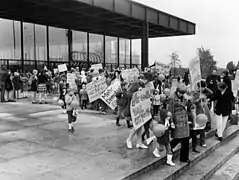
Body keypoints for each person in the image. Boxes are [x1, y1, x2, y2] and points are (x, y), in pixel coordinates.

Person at [169, 86, 191, 163]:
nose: (181, 94)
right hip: (177, 119)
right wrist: (171, 121)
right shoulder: (172, 98)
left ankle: (184, 157)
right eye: (180, 93)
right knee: (178, 138)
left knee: (186, 139)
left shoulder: (185, 97)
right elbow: (170, 110)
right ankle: (169, 147)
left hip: (184, 119)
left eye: (183, 93)